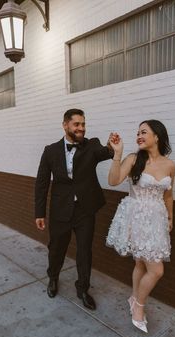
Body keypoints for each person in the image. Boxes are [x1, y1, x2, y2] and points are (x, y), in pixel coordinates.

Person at [35, 108, 114, 310]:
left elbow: (106, 152)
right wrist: (40, 213)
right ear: (65, 125)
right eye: (77, 124)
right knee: (56, 248)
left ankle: (83, 289)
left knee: (84, 251)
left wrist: (113, 146)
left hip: (85, 210)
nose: (81, 128)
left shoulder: (92, 145)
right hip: (61, 209)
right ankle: (53, 278)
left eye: (83, 124)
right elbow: (42, 184)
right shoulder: (50, 150)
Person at [106, 120, 175, 333]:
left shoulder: (169, 165)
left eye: (144, 132)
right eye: (138, 132)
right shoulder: (134, 159)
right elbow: (113, 180)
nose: (139, 135)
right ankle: (139, 306)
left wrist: (170, 218)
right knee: (156, 269)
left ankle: (134, 298)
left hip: (156, 220)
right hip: (135, 218)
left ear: (157, 136)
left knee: (142, 265)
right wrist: (118, 154)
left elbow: (169, 194)